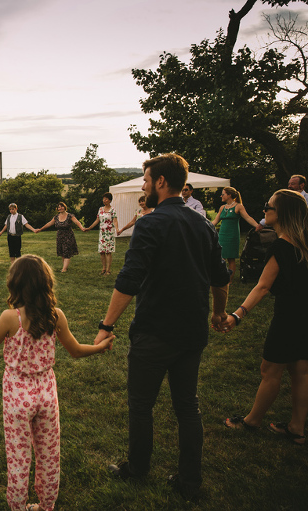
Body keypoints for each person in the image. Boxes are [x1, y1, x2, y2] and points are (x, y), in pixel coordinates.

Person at [95, 154, 230, 500]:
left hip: (154, 332)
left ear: (160, 182)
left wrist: (106, 324)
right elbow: (220, 278)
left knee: (141, 404)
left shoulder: (151, 224)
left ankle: (137, 468)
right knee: (188, 405)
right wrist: (218, 313)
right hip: (192, 333)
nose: (142, 184)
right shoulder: (203, 225)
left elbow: (129, 280)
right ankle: (190, 481)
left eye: (145, 179)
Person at [0, 255, 113, 511]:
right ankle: (46, 506)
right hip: (47, 393)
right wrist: (101, 346)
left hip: (17, 395)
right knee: (49, 456)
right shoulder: (55, 316)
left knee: (19, 458)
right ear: (46, 283)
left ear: (15, 284)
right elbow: (76, 350)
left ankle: (18, 507)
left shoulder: (10, 318)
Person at [221, 190, 308, 446]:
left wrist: (238, 314)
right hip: (305, 315)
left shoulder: (281, 246)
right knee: (301, 371)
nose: (264, 209)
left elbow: (262, 286)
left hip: (288, 317)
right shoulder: (303, 244)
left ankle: (252, 420)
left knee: (270, 371)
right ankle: (297, 428)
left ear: (281, 213)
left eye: (268, 205)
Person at [211, 186, 260, 281]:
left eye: (223, 194)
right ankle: (220, 276)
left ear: (229, 195)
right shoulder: (222, 208)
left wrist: (257, 225)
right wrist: (205, 226)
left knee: (231, 258)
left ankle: (229, 280)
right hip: (222, 235)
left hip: (232, 235)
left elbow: (248, 218)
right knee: (220, 256)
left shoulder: (238, 206)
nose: (221, 196)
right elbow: (215, 221)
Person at [39, 202, 85, 273]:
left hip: (68, 236)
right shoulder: (56, 217)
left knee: (67, 252)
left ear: (65, 207)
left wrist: (82, 228)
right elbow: (49, 223)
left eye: (62, 206)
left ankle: (64, 269)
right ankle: (64, 266)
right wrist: (41, 229)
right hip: (60, 236)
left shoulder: (70, 216)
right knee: (62, 252)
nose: (60, 208)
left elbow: (77, 222)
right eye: (59, 207)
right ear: (57, 209)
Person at [85, 193, 119, 275]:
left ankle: (108, 270)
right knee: (102, 251)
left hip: (109, 232)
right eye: (103, 199)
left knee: (108, 251)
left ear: (110, 200)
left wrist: (117, 229)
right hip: (102, 233)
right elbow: (97, 220)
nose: (104, 200)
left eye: (106, 199)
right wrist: (89, 228)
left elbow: (115, 220)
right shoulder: (100, 209)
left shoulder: (112, 210)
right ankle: (103, 269)